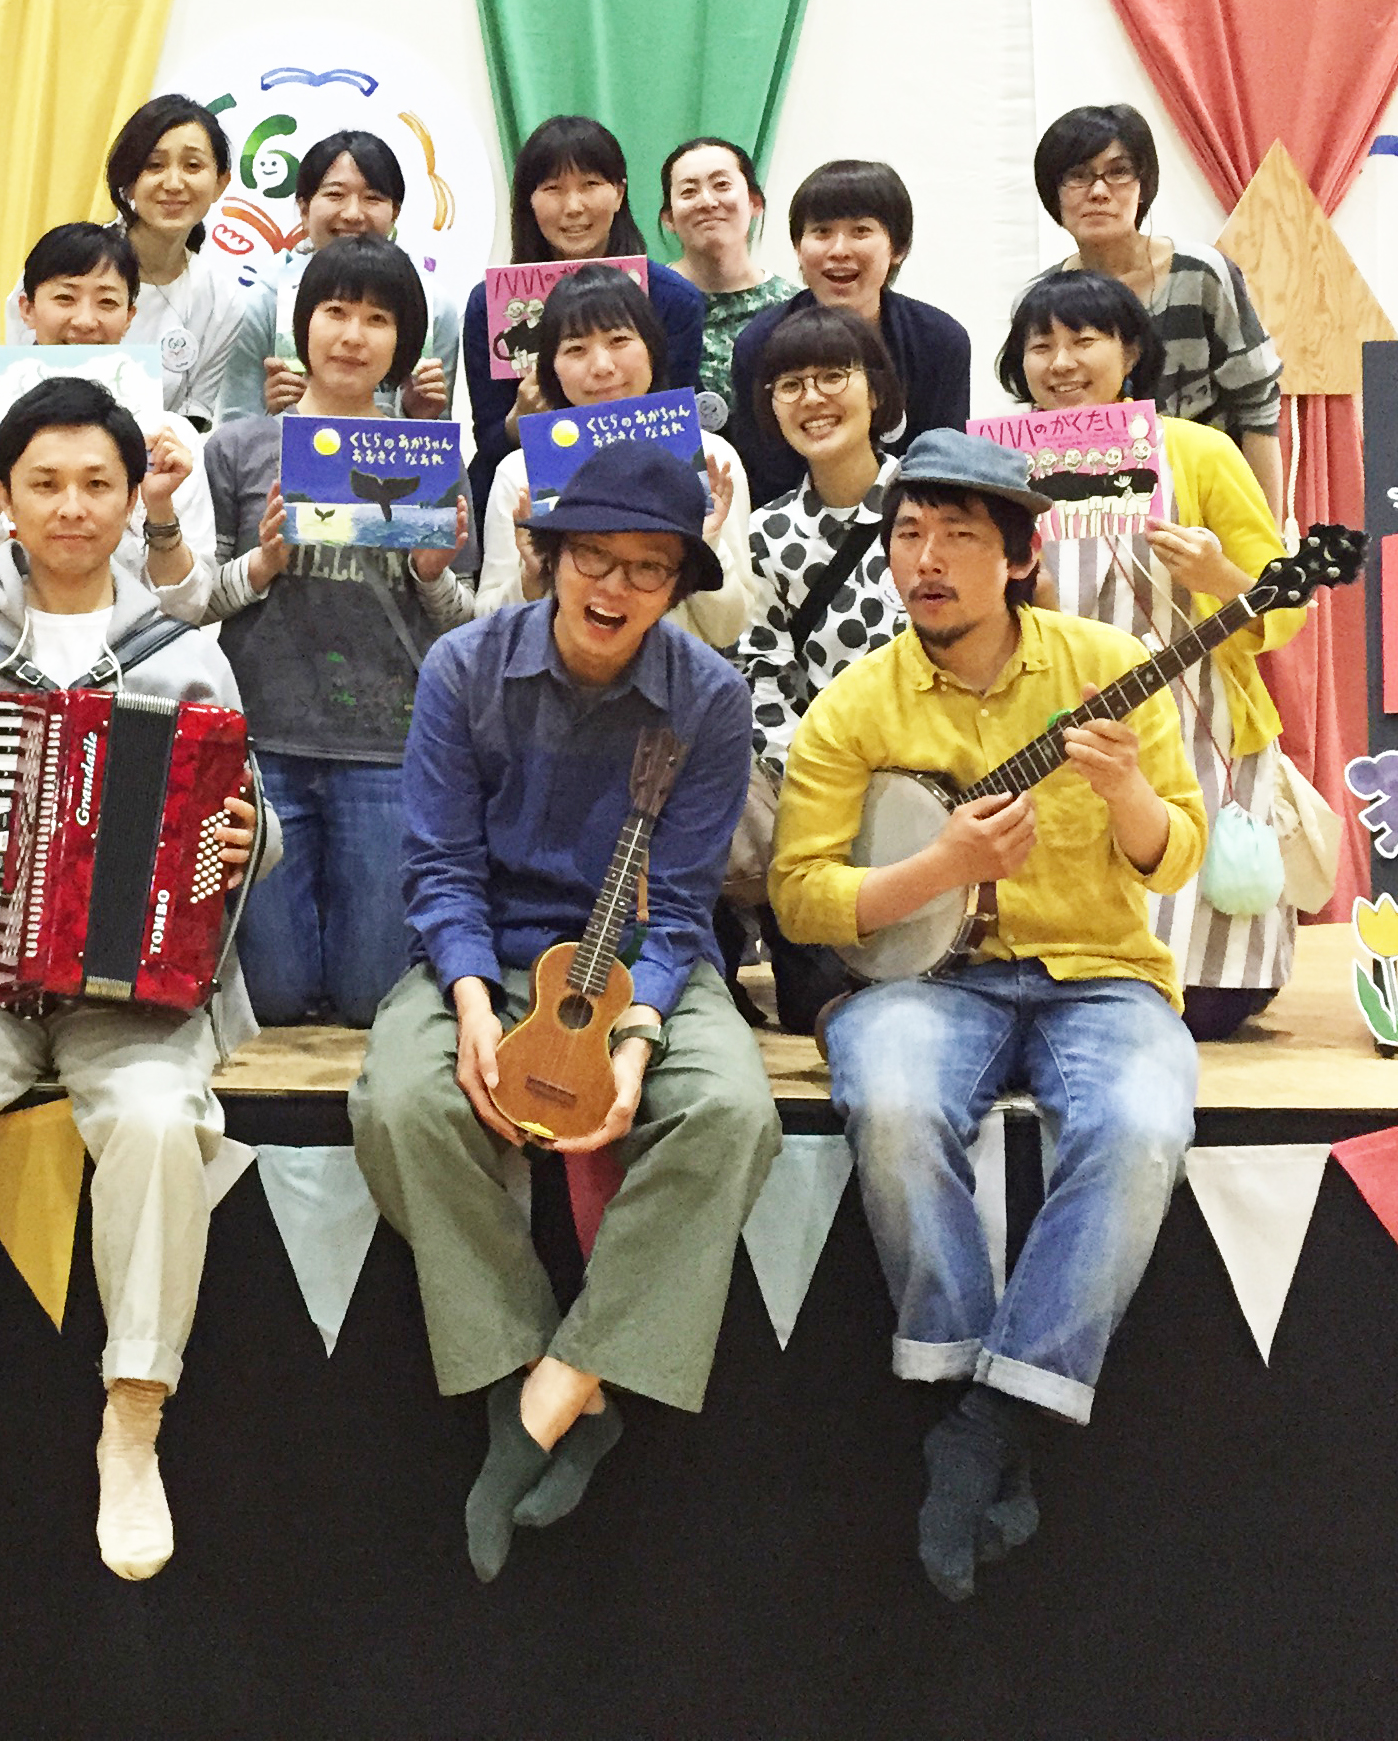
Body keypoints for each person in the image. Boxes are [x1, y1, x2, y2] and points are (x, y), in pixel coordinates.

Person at [0, 378, 274, 1590]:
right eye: (46, 484)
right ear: (7, 498)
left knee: (157, 1122)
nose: (72, 507)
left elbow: (253, 821)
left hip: (131, 995)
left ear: (134, 498)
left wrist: (247, 840)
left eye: (96, 484)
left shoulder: (186, 656)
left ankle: (132, 1418)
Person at [768, 429, 1207, 1603]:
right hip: (927, 983)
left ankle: (982, 1420)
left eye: (957, 536)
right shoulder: (853, 706)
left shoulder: (1107, 664)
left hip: (1098, 972)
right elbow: (799, 895)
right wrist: (937, 869)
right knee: (892, 1105)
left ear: (1016, 559)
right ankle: (975, 1390)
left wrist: (1125, 792)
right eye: (907, 533)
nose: (924, 559)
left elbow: (1177, 858)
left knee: (1138, 1125)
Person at [350, 440, 779, 1584]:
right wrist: (469, 1000)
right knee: (401, 1103)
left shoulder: (708, 700)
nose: (614, 586)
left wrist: (636, 1042)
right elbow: (439, 866)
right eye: (593, 555)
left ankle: (558, 1384)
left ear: (676, 583)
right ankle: (526, 1377)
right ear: (547, 555)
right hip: (484, 950)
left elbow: (677, 906)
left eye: (648, 567)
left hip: (640, 961)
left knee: (731, 1112)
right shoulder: (463, 667)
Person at [997, 269, 1304, 1038]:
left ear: (1130, 352)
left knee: (1209, 999)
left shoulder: (1198, 451)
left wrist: (1218, 577)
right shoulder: (999, 466)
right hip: (1050, 721)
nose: (1060, 363)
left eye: (1083, 341)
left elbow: (1287, 602)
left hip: (1196, 716)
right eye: (1040, 346)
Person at [203, 232, 475, 1028]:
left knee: (368, 999)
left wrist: (431, 573)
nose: (353, 336)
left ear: (404, 344)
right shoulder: (240, 447)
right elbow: (190, 602)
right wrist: (261, 563)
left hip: (386, 749)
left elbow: (465, 624)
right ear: (303, 326)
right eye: (335, 312)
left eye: (377, 320)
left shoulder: (430, 457)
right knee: (276, 998)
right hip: (262, 743)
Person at [733, 306, 909, 1034]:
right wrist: (818, 784)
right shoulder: (765, 533)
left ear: (876, 390)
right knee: (816, 1010)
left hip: (941, 787)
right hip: (817, 801)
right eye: (790, 384)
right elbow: (763, 673)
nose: (812, 398)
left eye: (834, 376)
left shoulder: (929, 505)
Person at [0, 223, 212, 627]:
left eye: (107, 302)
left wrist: (159, 507)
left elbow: (188, 610)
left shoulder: (169, 442)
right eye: (65, 298)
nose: (85, 320)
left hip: (128, 654)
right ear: (27, 308)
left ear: (129, 317)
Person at [474, 265, 755, 653]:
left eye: (619, 340)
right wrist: (533, 576)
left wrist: (707, 542)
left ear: (653, 348)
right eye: (575, 349)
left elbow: (728, 630)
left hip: (676, 683)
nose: (602, 366)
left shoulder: (710, 458)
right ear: (550, 368)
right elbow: (485, 626)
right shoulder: (521, 471)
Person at [1030, 103, 1283, 514]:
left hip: (1206, 505)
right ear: (1052, 192)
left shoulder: (1201, 274)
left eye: (1118, 172)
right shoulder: (1042, 299)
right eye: (1077, 175)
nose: (1098, 191)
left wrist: (1264, 539)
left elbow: (1258, 408)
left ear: (1143, 185)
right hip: (1092, 516)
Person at [462, 115, 706, 524]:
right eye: (553, 189)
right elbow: (489, 443)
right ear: (528, 201)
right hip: (525, 500)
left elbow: (679, 427)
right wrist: (518, 423)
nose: (573, 207)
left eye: (591, 184)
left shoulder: (673, 300)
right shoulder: (490, 305)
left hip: (646, 497)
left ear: (619, 192)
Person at [726, 159, 971, 507]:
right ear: (798, 247)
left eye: (860, 231)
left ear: (898, 248)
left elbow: (944, 468)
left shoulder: (940, 341)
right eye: (822, 231)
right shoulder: (759, 344)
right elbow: (765, 474)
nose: (839, 250)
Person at [2, 94, 245, 428]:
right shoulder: (61, 265)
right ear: (128, 180)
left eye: (192, 166)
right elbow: (16, 388)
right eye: (154, 165)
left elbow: (193, 419)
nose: (173, 183)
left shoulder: (221, 302)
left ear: (220, 183)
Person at [215, 128, 462, 425]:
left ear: (394, 212)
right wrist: (273, 419)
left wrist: (416, 415)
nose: (353, 214)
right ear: (304, 209)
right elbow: (232, 429)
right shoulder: (260, 303)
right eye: (335, 194)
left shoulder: (432, 307)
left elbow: (439, 438)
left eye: (372, 197)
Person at [659, 135, 799, 418]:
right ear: (669, 218)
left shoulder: (794, 308)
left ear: (755, 202)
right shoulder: (644, 300)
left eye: (721, 185)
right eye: (688, 192)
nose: (707, 201)